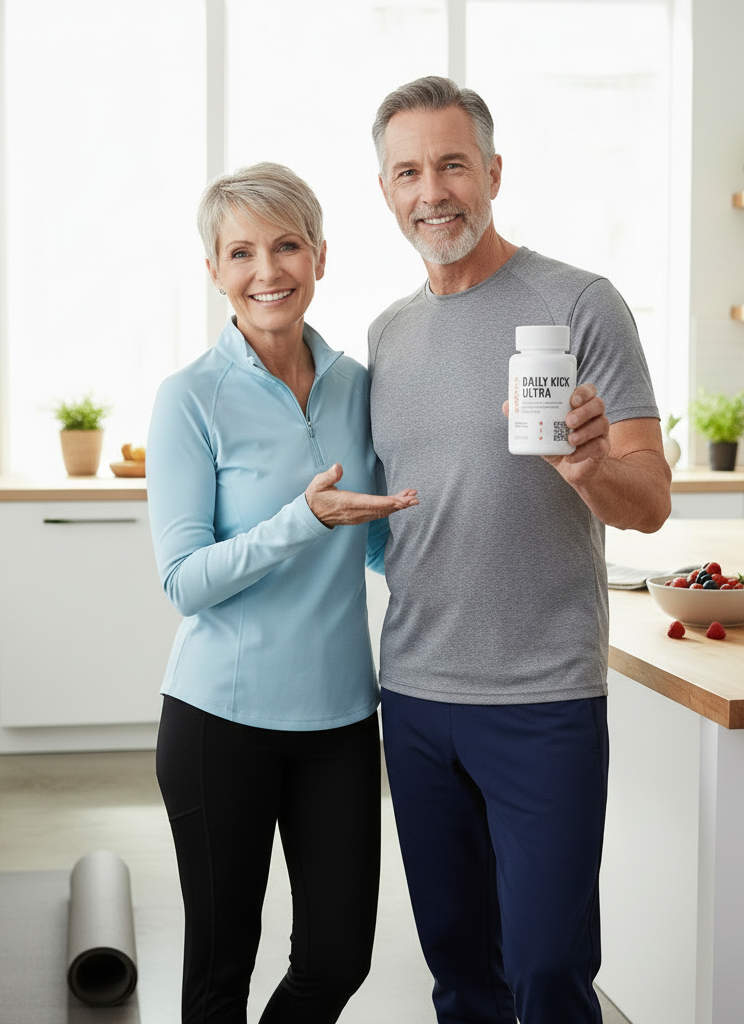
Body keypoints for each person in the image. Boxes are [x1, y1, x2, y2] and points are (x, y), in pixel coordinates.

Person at [367, 77, 672, 1024]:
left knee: (547, 969)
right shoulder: (386, 335)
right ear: (385, 189)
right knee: (461, 973)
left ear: (493, 171)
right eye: (408, 171)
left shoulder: (579, 303)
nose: (433, 191)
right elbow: (402, 514)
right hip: (414, 694)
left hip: (542, 695)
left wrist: (586, 468)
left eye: (453, 164)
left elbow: (651, 500)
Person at [146, 162, 417, 1024]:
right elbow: (185, 581)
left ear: (321, 256)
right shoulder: (191, 398)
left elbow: (373, 542)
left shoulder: (359, 386)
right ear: (215, 272)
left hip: (339, 720)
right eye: (242, 252)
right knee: (219, 976)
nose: (269, 270)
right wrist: (304, 519)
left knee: (338, 960)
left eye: (287, 245)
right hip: (218, 722)